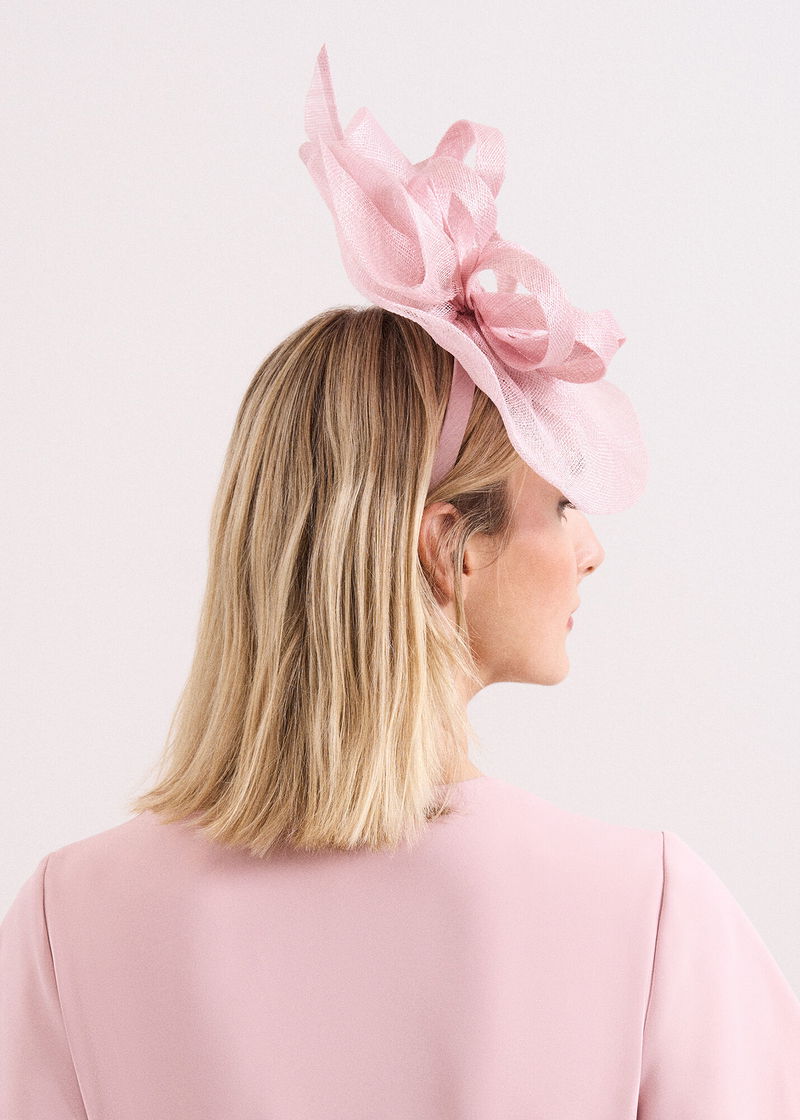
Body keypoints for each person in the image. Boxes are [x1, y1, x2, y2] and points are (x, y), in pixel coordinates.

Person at [2, 46, 799, 1119]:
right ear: (447, 545)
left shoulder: (67, 926)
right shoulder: (651, 919)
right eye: (562, 504)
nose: (591, 551)